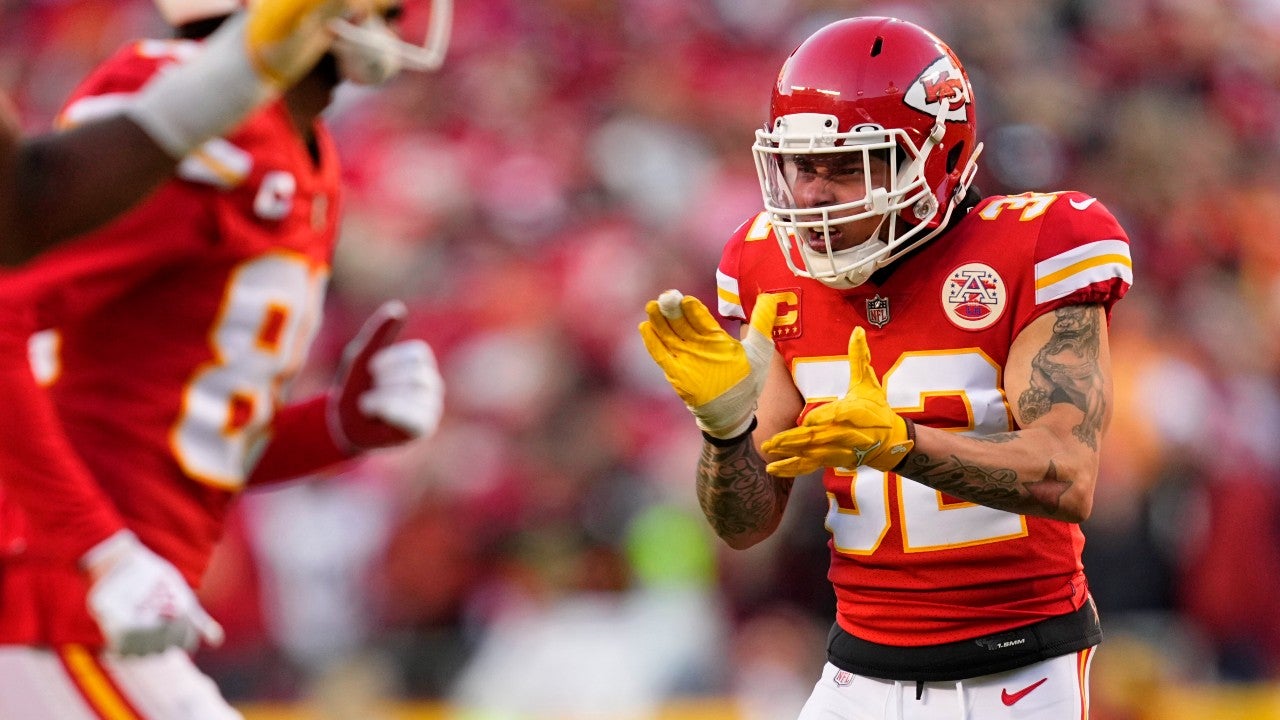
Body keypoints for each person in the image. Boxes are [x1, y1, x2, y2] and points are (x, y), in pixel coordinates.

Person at [639, 16, 1132, 720]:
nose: (812, 195)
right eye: (802, 165)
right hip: (856, 674)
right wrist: (724, 432)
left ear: (937, 155)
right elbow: (745, 524)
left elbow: (1068, 474)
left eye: (849, 166)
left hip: (1016, 671)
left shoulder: (1041, 243)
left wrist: (898, 444)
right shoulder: (766, 264)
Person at [0, 0, 451, 716]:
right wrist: (99, 552)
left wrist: (334, 429)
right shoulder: (200, 118)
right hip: (49, 597)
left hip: (96, 603)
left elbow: (182, 436)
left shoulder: (302, 148)